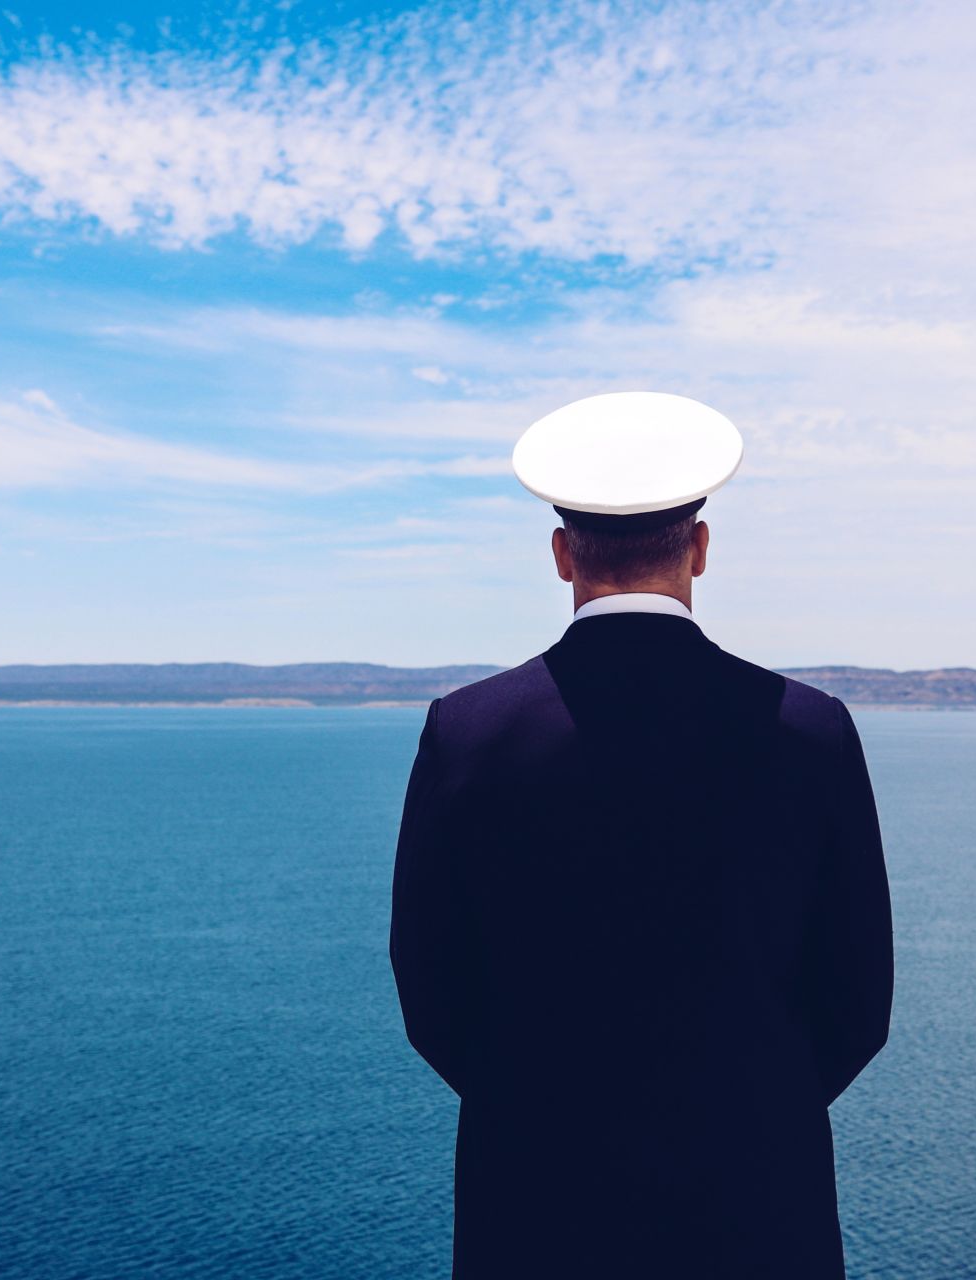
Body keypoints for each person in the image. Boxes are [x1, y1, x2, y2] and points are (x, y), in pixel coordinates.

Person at [389, 391, 894, 1279]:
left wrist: (534, 1105)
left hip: (534, 1208)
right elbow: (858, 998)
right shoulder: (811, 730)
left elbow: (430, 987)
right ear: (700, 548)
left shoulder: (466, 730)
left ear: (560, 555)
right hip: (762, 1209)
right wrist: (751, 1111)